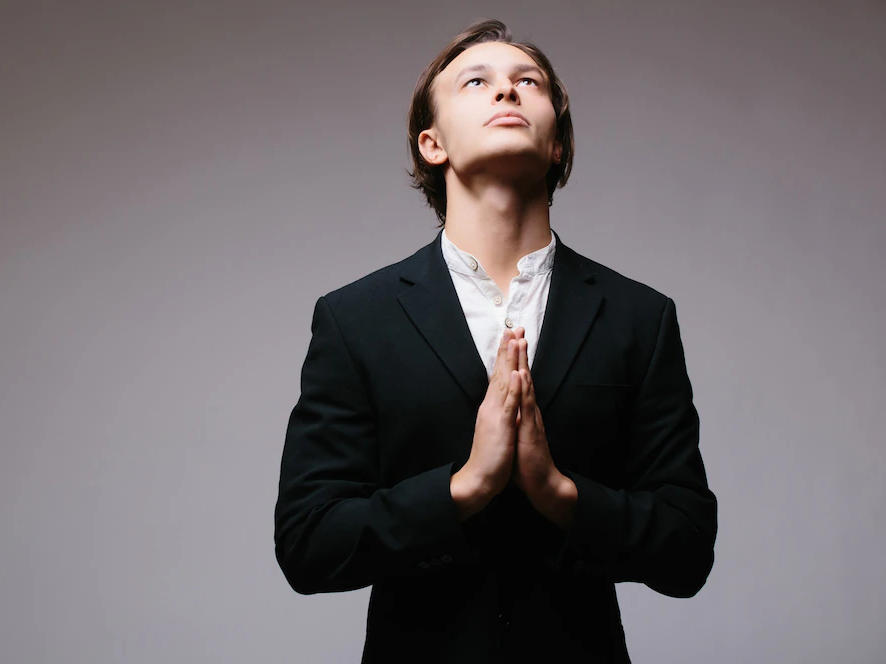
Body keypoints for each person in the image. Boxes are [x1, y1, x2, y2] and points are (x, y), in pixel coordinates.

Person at [274, 18, 717, 664]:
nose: (506, 93)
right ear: (432, 144)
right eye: (476, 82)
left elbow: (687, 548)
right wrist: (464, 488)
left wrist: (560, 494)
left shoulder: (639, 318)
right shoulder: (355, 319)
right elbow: (308, 542)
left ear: (559, 145)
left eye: (527, 82)